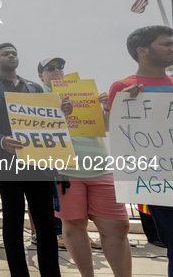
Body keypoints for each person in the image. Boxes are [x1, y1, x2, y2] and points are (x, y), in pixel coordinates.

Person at [0, 42, 71, 277]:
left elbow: (51, 124)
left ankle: (51, 273)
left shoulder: (35, 88)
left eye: (14, 53)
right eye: (5, 54)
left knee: (45, 223)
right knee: (12, 222)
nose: (11, 56)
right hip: (8, 164)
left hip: (38, 165)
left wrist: (62, 111)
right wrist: (2, 141)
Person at [38, 56, 131, 277]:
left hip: (100, 166)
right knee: (74, 225)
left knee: (118, 227)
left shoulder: (83, 91)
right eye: (49, 68)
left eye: (59, 66)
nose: (56, 70)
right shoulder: (36, 95)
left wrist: (108, 108)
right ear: (41, 75)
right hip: (65, 171)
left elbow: (105, 127)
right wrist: (55, 112)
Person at [108, 25, 173, 277]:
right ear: (143, 50)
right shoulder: (124, 87)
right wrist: (125, 103)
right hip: (162, 183)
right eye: (165, 44)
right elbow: (116, 134)